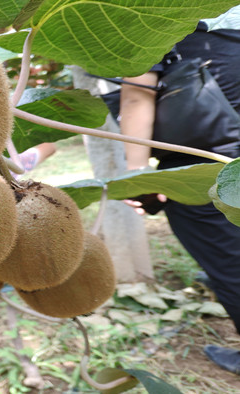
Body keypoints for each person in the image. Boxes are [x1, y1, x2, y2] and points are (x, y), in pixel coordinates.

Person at [119, 20, 240, 375]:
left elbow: (137, 94)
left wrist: (137, 173)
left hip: (209, 163)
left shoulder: (152, 19)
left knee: (232, 263)